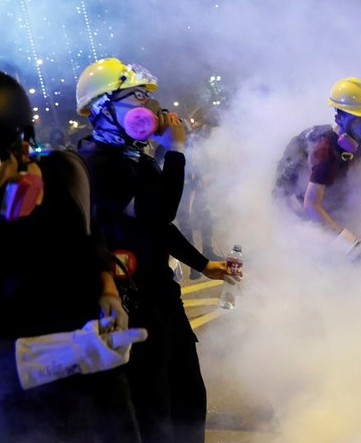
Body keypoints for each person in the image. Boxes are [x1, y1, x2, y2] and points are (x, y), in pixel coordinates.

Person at [0, 67, 146, 442]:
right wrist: (52, 357)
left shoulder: (65, 174)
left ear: (20, 148)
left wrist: (107, 288)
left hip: (104, 397)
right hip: (21, 412)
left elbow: (88, 235)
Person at [75, 57, 239, 443]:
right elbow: (157, 212)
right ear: (102, 109)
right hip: (132, 311)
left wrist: (203, 263)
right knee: (154, 412)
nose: (150, 110)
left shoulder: (135, 158)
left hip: (162, 299)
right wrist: (176, 152)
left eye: (148, 99)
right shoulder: (97, 163)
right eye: (136, 99)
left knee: (188, 399)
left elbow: (159, 226)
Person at [273, 77, 361, 260]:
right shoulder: (325, 150)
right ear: (339, 118)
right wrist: (349, 245)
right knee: (320, 258)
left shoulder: (356, 146)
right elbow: (311, 205)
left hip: (326, 199)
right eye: (358, 121)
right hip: (296, 206)